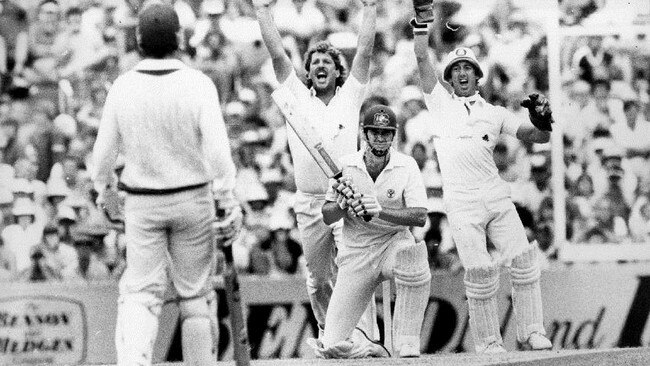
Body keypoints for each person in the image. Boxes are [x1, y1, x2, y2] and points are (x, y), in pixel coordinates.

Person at [90, 2, 238, 365]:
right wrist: (228, 196)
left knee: (141, 294)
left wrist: (104, 189)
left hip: (143, 202)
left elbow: (103, 153)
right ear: (180, 37)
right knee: (194, 296)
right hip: (193, 199)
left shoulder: (123, 85)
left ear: (138, 39)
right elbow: (219, 152)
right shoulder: (197, 83)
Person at [411, 18, 553, 353]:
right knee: (479, 271)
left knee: (523, 259)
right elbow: (420, 58)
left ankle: (531, 331)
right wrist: (421, 24)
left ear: (477, 76)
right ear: (449, 78)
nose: (461, 73)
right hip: (461, 204)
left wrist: (543, 119)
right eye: (455, 69)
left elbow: (538, 137)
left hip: (495, 195)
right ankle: (489, 341)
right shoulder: (440, 105)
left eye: (467, 68)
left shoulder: (495, 113)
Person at [253, 0, 382, 353]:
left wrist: (370, 7)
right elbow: (279, 57)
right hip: (309, 201)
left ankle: (365, 338)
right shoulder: (296, 97)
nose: (320, 66)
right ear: (308, 73)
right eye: (314, 64)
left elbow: (365, 53)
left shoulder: (350, 97)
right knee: (319, 278)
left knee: (355, 266)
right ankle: (332, 335)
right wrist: (263, 12)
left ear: (338, 72)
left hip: (345, 196)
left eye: (327, 62)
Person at [310, 105, 430, 358]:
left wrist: (381, 211)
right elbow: (327, 215)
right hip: (357, 253)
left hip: (392, 243)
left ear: (393, 135)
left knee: (415, 261)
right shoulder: (347, 166)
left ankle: (407, 341)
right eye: (374, 132)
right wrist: (343, 204)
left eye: (385, 133)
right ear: (364, 133)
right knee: (332, 347)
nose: (379, 138)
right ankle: (368, 347)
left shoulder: (406, 165)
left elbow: (420, 216)